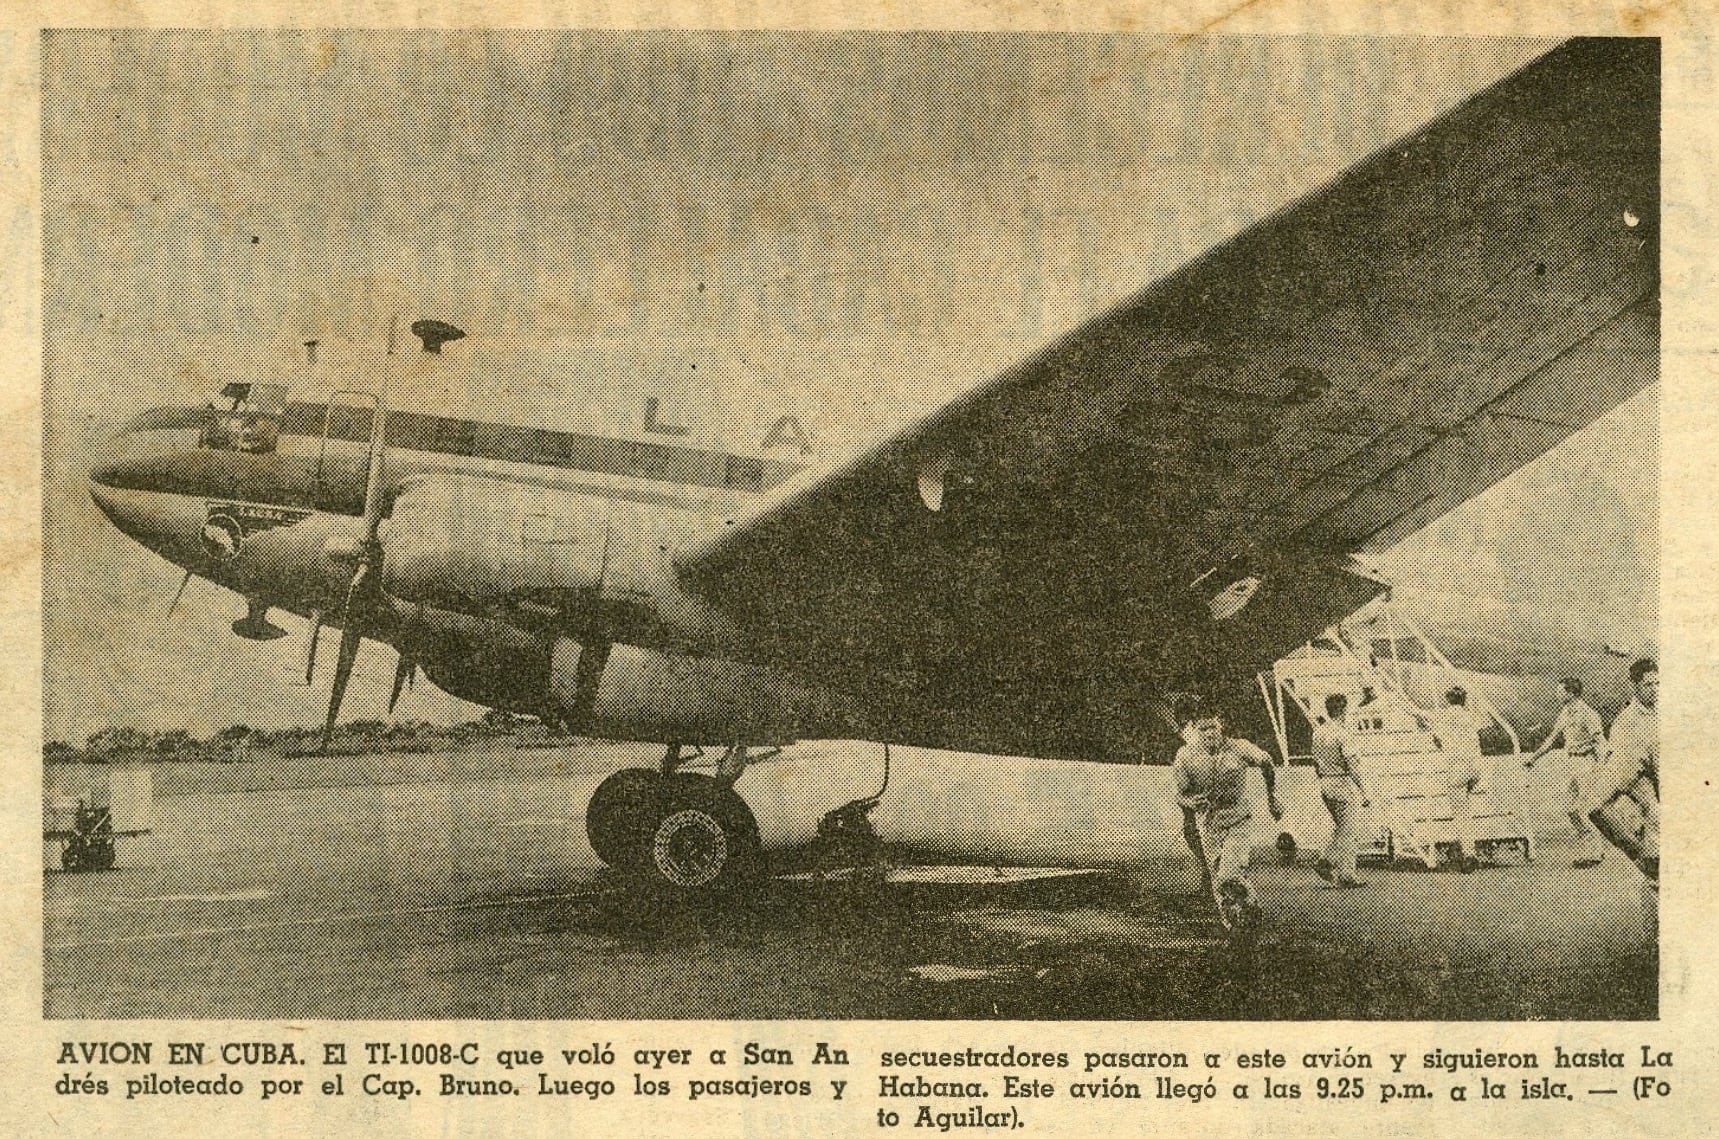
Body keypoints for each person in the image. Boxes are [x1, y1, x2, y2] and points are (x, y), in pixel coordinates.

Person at [1172, 702, 1284, 934]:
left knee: (1229, 874)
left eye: (1213, 727)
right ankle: (1233, 925)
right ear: (1194, 729)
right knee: (1219, 881)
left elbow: (1267, 761)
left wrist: (1272, 797)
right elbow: (1181, 795)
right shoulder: (1185, 756)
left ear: (1221, 725)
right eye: (1203, 729)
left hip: (1238, 819)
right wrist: (1191, 803)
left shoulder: (1239, 748)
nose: (1210, 733)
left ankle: (1249, 909)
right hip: (1209, 824)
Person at [1525, 677, 1607, 867]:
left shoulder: (1588, 714)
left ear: (1570, 693)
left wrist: (1601, 767)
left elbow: (1600, 742)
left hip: (1587, 763)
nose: (1557, 694)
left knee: (1583, 809)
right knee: (1570, 809)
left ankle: (1595, 852)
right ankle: (1591, 847)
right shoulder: (1565, 712)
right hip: (1572, 762)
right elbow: (1552, 739)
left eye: (1560, 691)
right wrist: (1533, 758)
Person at [1588, 658, 1658, 881]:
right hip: (1641, 779)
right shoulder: (1627, 725)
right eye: (1649, 685)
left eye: (1659, 683)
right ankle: (1644, 860)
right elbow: (1598, 803)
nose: (1656, 690)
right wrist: (1634, 850)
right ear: (1635, 686)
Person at [1311, 694, 1369, 887]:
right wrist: (1365, 791)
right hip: (1341, 783)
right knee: (1349, 830)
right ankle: (1344, 874)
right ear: (1343, 710)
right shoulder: (1343, 734)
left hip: (1325, 784)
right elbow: (1353, 765)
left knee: (1342, 828)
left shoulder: (1318, 732)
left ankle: (1327, 861)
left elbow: (1316, 762)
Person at [1431, 686, 1483, 872]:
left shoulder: (1444, 716)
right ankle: (1466, 846)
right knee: (1466, 810)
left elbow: (1438, 740)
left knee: (1460, 813)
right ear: (1464, 700)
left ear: (1448, 700)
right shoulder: (1469, 716)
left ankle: (1469, 853)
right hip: (1475, 766)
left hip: (1457, 768)